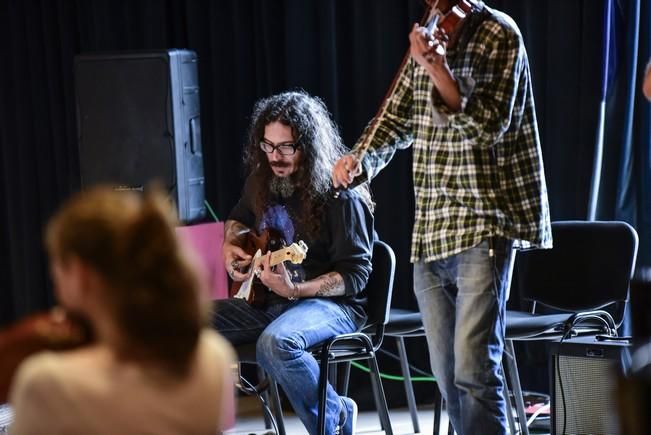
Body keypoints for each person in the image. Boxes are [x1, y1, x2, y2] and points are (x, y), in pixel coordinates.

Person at [332, 1, 552, 434]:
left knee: (475, 372)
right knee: (447, 376)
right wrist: (361, 158)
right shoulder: (430, 31)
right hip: (430, 227)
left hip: (483, 221)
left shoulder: (499, 34)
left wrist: (436, 68)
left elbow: (486, 126)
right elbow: (395, 119)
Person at [8, 186, 236, 435]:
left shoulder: (47, 384)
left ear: (81, 274)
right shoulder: (213, 357)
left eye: (58, 264)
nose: (54, 277)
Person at [213, 90, 374, 435]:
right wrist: (230, 244)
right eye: (268, 146)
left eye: (286, 146)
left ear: (309, 146)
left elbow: (356, 276)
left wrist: (297, 289)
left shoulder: (341, 195)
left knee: (276, 343)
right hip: (269, 301)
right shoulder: (262, 181)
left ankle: (333, 419)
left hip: (331, 305)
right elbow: (238, 218)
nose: (275, 156)